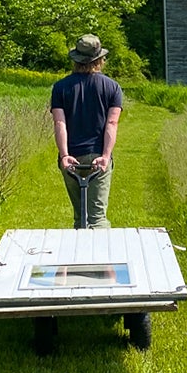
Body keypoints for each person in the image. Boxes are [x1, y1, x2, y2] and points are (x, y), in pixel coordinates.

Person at [50, 34, 125, 228]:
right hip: (97, 156)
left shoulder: (60, 87)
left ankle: (80, 256)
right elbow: (112, 123)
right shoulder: (112, 87)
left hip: (71, 157)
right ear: (99, 59)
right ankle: (99, 258)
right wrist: (106, 156)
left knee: (80, 217)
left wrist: (65, 155)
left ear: (76, 59)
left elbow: (60, 123)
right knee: (97, 218)